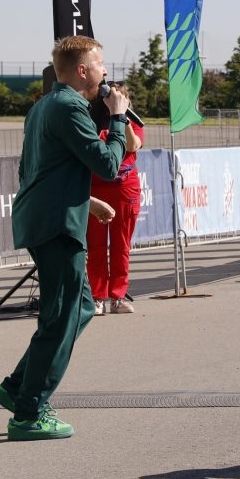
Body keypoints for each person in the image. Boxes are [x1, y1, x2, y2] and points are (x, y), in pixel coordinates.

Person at [0, 35, 130, 440]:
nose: (106, 72)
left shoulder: (44, 106)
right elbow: (106, 165)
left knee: (81, 307)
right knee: (60, 317)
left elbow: (41, 169)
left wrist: (84, 202)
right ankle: (29, 410)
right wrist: (118, 118)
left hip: (50, 217)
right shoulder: (69, 106)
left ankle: (19, 386)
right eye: (100, 64)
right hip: (55, 226)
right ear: (83, 71)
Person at [87, 83, 145, 314]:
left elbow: (133, 145)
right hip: (96, 190)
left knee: (121, 246)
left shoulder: (132, 122)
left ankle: (118, 297)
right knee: (96, 246)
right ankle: (97, 296)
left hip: (124, 190)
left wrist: (121, 117)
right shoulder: (93, 122)